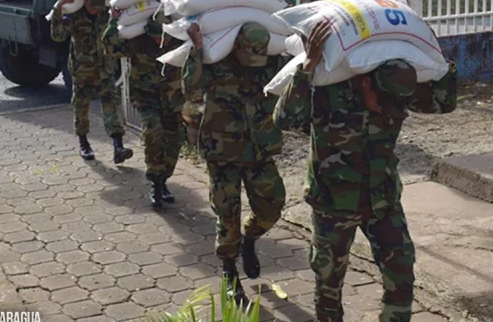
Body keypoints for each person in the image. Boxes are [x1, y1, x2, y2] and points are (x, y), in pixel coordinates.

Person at [273, 21, 457, 322]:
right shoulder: (327, 89)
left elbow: (443, 103)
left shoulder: (396, 87)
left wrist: (436, 56)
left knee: (401, 271)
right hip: (334, 203)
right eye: (383, 104)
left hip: (382, 198)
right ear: (367, 82)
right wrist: (307, 67)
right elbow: (284, 118)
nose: (387, 111)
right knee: (329, 281)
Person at [183, 22, 287, 303]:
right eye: (249, 53)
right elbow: (190, 87)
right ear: (237, 46)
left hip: (259, 148)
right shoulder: (215, 61)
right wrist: (197, 49)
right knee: (227, 214)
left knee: (272, 204)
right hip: (223, 150)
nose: (254, 61)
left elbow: (294, 77)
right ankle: (229, 271)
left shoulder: (270, 62)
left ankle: (250, 238)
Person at [101, 12, 185, 208]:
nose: (158, 41)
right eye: (154, 36)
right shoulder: (138, 42)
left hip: (173, 99)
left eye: (161, 37)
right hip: (146, 97)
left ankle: (164, 180)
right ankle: (155, 184)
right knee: (153, 133)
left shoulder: (180, 42)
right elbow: (111, 49)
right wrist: (113, 20)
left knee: (175, 141)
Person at [50, 0, 134, 164]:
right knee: (81, 106)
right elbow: (58, 36)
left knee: (111, 104)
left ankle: (118, 146)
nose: (95, 9)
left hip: (104, 69)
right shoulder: (74, 15)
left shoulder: (106, 14)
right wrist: (58, 10)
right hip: (83, 70)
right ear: (86, 0)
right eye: (92, 4)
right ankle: (84, 143)